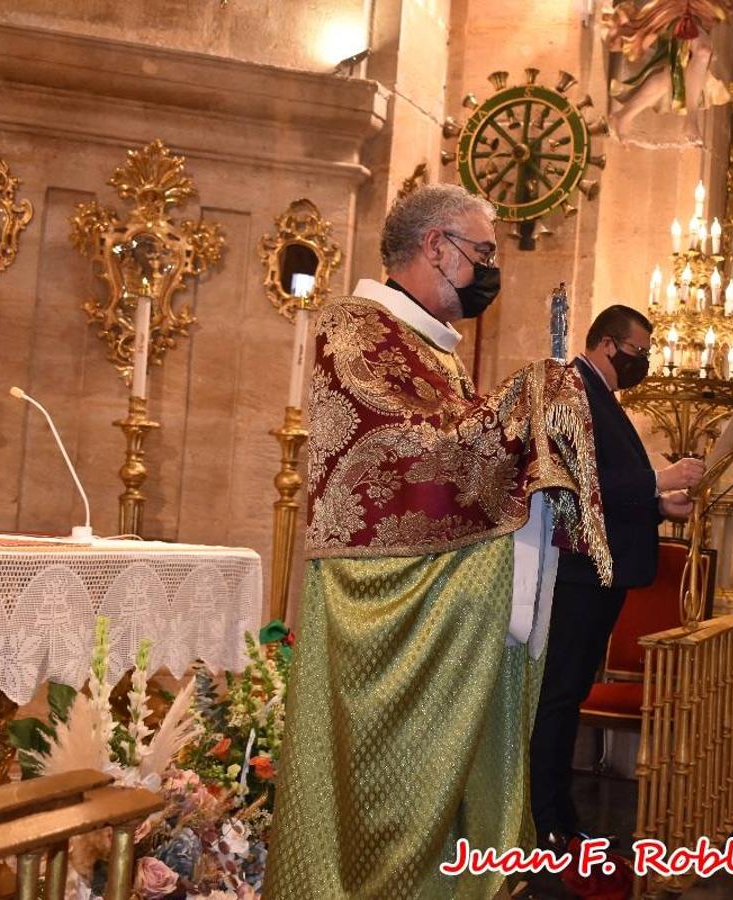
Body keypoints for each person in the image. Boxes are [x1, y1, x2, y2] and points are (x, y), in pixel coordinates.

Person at [264, 184, 612, 900]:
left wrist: (524, 416)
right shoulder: (358, 328)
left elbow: (459, 449)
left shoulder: (430, 349)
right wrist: (526, 401)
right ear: (435, 247)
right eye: (483, 252)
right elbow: (415, 460)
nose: (490, 270)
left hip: (434, 591)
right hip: (383, 602)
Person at [530, 305, 704, 847]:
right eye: (639, 352)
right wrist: (660, 479)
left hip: (600, 572)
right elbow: (580, 481)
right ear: (608, 344)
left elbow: (610, 494)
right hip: (579, 574)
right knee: (559, 697)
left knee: (570, 694)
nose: (644, 362)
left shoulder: (604, 398)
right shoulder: (573, 388)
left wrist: (658, 506)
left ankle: (560, 814)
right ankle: (547, 819)